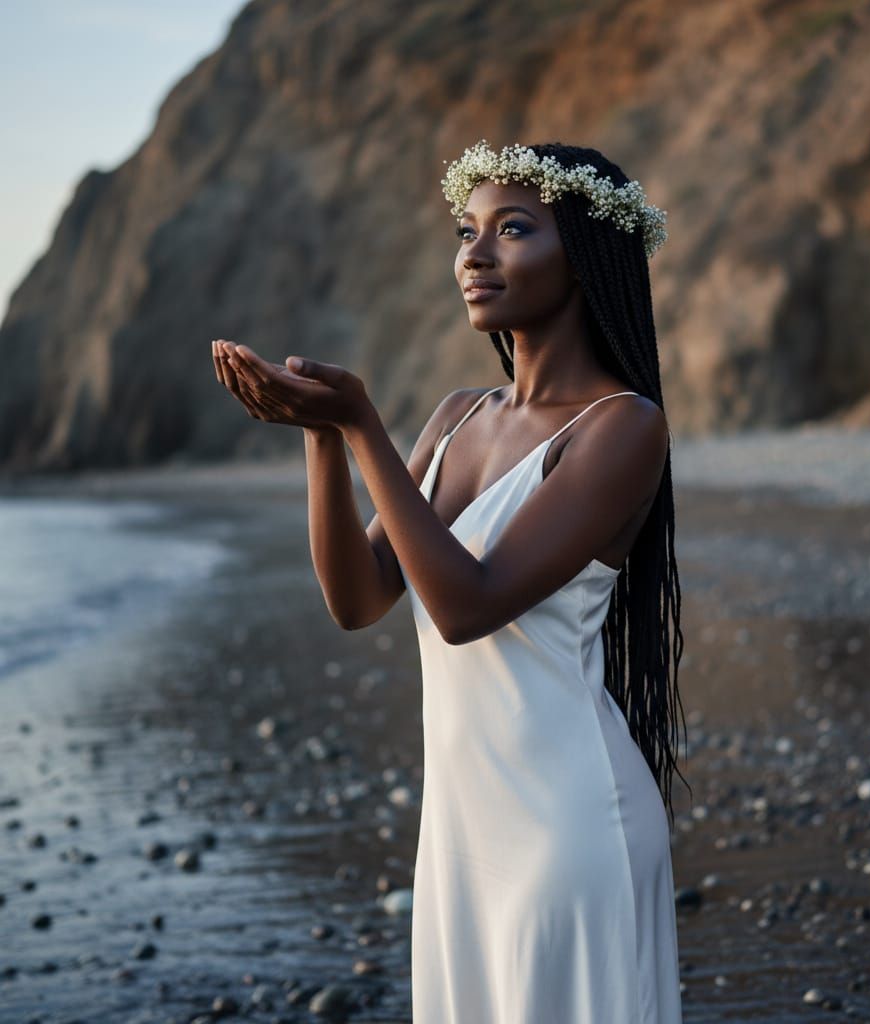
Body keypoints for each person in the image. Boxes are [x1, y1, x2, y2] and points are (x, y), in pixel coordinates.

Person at [212, 139, 690, 1023]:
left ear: (585, 254)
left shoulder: (622, 429)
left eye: (513, 230)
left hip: (569, 831)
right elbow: (359, 600)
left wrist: (360, 422)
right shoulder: (458, 416)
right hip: (462, 837)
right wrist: (320, 436)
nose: (474, 253)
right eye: (467, 231)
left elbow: (465, 606)